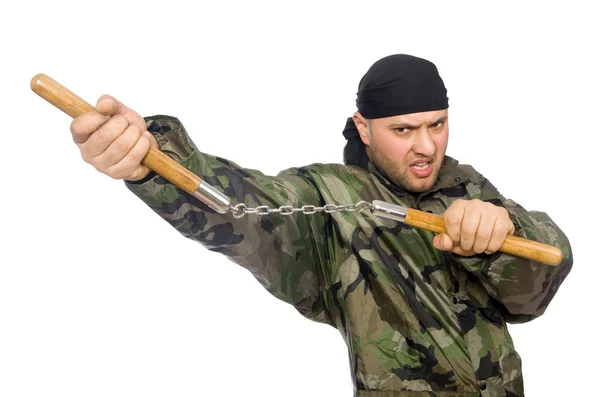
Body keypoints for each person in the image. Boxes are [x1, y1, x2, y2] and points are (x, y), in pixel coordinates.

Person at [69, 54, 573, 397]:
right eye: (403, 130)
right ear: (364, 128)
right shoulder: (332, 200)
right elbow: (242, 209)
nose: (426, 147)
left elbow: (536, 290)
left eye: (436, 124)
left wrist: (500, 234)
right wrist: (152, 159)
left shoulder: (467, 185)